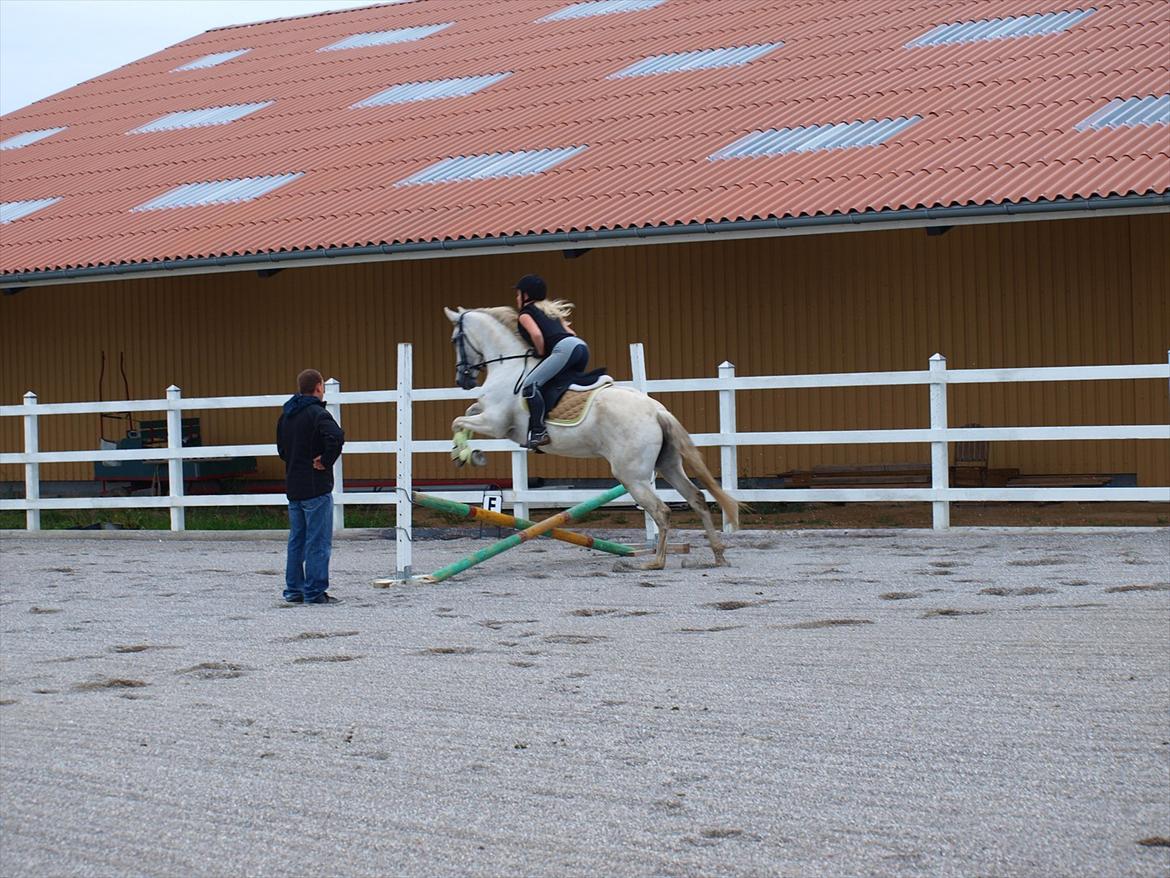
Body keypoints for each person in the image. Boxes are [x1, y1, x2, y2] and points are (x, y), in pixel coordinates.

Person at [276, 368, 345, 604]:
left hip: (294, 485)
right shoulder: (317, 413)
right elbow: (336, 437)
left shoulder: (286, 416)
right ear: (318, 387)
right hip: (316, 487)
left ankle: (294, 589)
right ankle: (315, 591)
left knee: (297, 540)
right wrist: (325, 461)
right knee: (318, 541)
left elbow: (282, 451)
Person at [514, 274, 589, 449]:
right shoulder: (552, 311)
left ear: (526, 295)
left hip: (564, 349)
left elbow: (537, 335)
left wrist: (541, 353)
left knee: (530, 385)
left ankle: (539, 431)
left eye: (518, 294)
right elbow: (572, 334)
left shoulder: (525, 314)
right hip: (581, 348)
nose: (517, 298)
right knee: (555, 383)